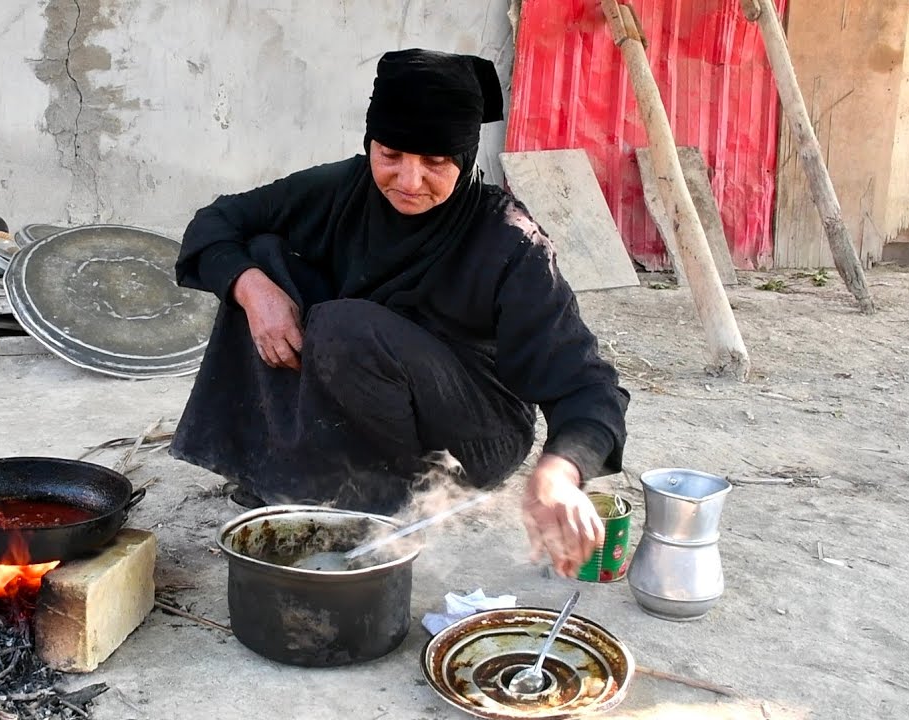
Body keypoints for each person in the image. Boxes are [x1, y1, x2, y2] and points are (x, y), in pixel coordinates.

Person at [168, 48, 630, 578]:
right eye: (391, 155)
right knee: (261, 257)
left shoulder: (509, 241)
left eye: (435, 163)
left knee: (342, 327)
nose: (409, 181)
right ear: (371, 143)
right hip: (377, 388)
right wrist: (253, 290)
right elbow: (215, 221)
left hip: (474, 430)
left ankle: (384, 498)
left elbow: (588, 386)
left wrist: (561, 471)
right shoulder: (343, 188)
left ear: (465, 157)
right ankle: (292, 473)